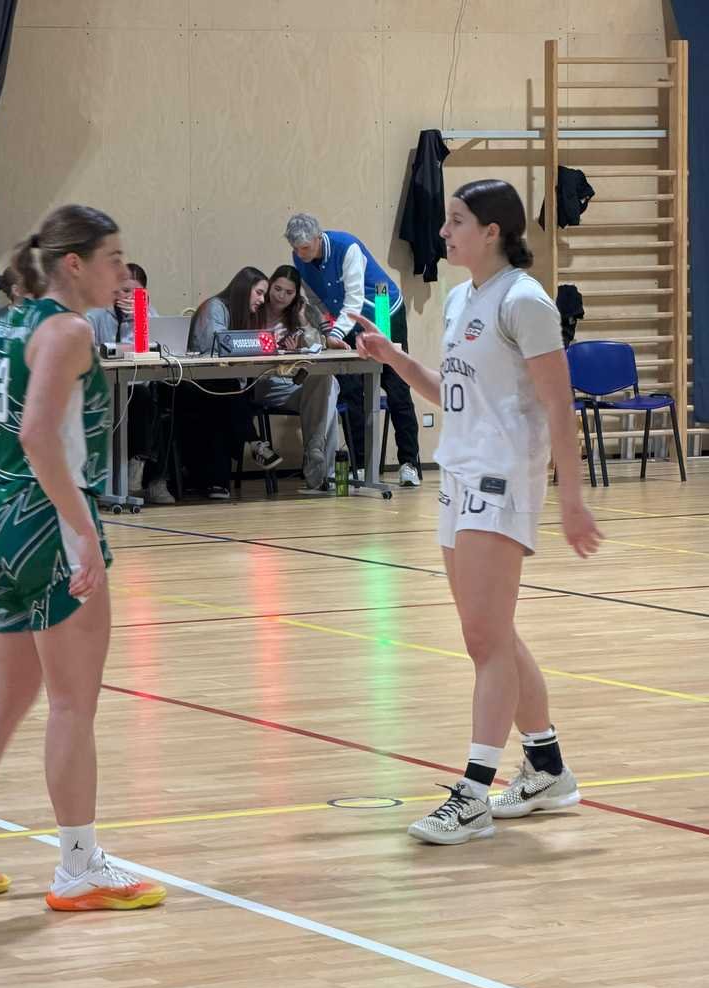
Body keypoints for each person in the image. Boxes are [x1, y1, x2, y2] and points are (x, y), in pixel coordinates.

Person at [352, 179, 602, 846]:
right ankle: (547, 767)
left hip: (503, 478)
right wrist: (393, 357)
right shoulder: (464, 298)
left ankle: (473, 794)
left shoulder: (525, 301)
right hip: (458, 475)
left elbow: (558, 404)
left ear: (492, 231)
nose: (443, 232)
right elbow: (455, 393)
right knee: (489, 633)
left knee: (486, 640)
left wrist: (571, 499)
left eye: (456, 221)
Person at [0, 204, 166, 909]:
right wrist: (81, 534)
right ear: (73, 264)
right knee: (73, 703)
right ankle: (79, 865)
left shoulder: (9, 322)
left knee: (4, 700)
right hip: (46, 516)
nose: (123, 274)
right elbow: (39, 437)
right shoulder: (69, 330)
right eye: (113, 259)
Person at [284, 213, 421, 486]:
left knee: (395, 385)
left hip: (381, 308)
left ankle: (409, 463)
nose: (301, 254)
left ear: (317, 237)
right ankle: (360, 465)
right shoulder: (299, 258)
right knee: (350, 388)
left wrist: (335, 334)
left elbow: (355, 300)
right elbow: (315, 299)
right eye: (296, 249)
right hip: (344, 320)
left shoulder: (347, 248)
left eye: (305, 248)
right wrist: (327, 330)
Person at [185, 267, 281, 498]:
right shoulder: (215, 307)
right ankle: (254, 442)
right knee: (227, 392)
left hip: (227, 386)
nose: (262, 300)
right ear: (244, 289)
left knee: (230, 394)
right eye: (259, 293)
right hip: (195, 384)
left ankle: (220, 482)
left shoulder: (246, 315)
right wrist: (256, 343)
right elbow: (217, 346)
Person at [88, 262, 175, 504]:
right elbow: (87, 352)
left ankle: (153, 478)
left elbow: (161, 349)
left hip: (141, 385)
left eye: (135, 293)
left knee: (168, 396)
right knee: (141, 400)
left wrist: (141, 317)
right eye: (123, 290)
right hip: (105, 388)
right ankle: (136, 466)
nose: (127, 297)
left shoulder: (148, 313)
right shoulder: (96, 312)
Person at [258, 265, 340, 489]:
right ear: (269, 286)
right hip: (266, 382)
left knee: (326, 379)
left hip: (294, 381)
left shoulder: (298, 314)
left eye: (289, 292)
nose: (281, 296)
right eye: (277, 289)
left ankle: (315, 451)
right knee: (329, 400)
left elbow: (317, 352)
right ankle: (322, 468)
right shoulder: (257, 309)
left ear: (296, 295)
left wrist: (303, 322)